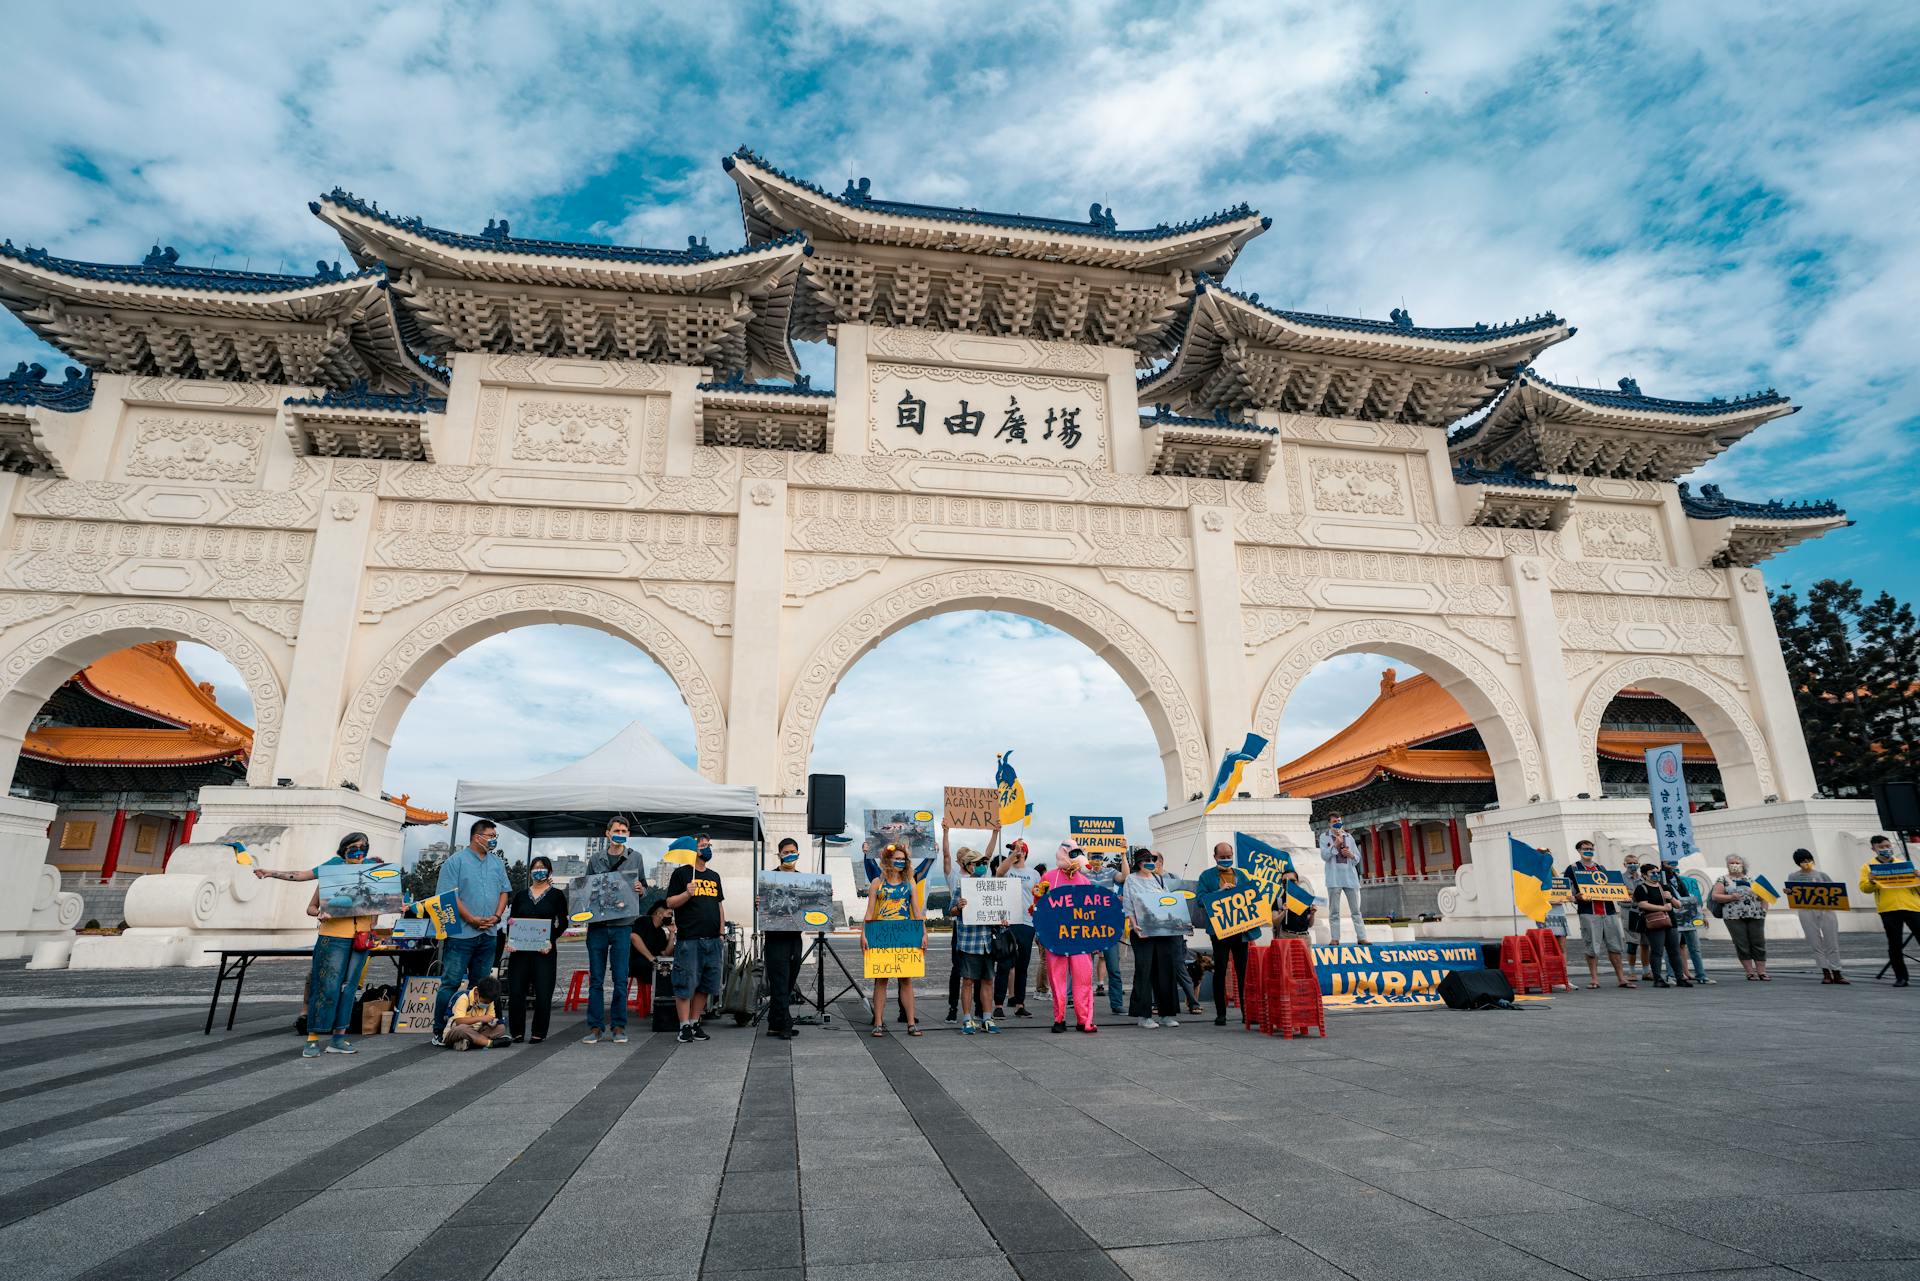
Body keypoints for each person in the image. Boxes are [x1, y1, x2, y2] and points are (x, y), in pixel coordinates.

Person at [254, 831, 384, 1057]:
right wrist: (271, 873)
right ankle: (313, 1038)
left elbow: (375, 912)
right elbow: (308, 899)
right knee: (326, 987)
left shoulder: (372, 873)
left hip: (361, 939)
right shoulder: (332, 870)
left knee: (349, 988)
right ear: (343, 849)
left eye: (363, 847)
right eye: (353, 847)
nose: (358, 851)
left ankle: (339, 1037)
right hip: (333, 937)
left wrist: (386, 908)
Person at [432, 819, 512, 1041]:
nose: (494, 839)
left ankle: (482, 1028)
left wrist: (496, 917)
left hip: (488, 934)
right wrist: (471, 919)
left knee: (483, 984)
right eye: (491, 835)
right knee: (451, 982)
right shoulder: (455, 862)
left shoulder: (497, 863)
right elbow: (449, 896)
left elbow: (505, 891)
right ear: (478, 837)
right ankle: (440, 1030)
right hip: (461, 935)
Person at [580, 817, 645, 1046]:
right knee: (596, 979)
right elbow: (586, 889)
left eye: (624, 830)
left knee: (620, 978)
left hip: (623, 925)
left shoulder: (635, 857)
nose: (620, 833)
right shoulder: (595, 859)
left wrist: (641, 888)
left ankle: (619, 1025)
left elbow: (643, 887)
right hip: (598, 926)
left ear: (628, 834)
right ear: (607, 833)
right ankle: (595, 1027)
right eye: (616, 830)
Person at [665, 835, 726, 1043]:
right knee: (685, 983)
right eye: (702, 845)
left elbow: (719, 905)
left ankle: (694, 1022)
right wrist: (687, 894)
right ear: (693, 850)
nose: (707, 848)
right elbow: (670, 903)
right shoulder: (681, 874)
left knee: (705, 985)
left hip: (712, 939)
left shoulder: (715, 876)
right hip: (689, 939)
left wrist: (721, 932)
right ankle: (683, 1027)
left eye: (709, 845)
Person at [504, 854, 568, 1043]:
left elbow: (563, 922)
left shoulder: (556, 895)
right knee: (516, 991)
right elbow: (512, 921)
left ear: (549, 871)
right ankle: (516, 1031)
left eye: (542, 867)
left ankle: (538, 1032)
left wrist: (551, 940)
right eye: (535, 867)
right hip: (520, 952)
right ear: (530, 871)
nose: (538, 870)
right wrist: (511, 940)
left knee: (543, 991)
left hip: (544, 951)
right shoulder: (521, 896)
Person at [864, 841, 925, 1036]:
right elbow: (870, 911)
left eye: (903, 859)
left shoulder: (910, 883)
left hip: (905, 933)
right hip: (881, 933)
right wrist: (863, 933)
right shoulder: (877, 883)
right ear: (887, 860)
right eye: (896, 858)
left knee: (906, 980)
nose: (900, 862)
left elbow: (917, 911)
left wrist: (923, 932)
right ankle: (878, 1022)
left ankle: (910, 1022)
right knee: (881, 980)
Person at [1034, 845, 1097, 1033]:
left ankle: (1084, 1020)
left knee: (1083, 978)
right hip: (1056, 937)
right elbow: (1038, 904)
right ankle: (1059, 1018)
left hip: (1080, 938)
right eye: (1073, 853)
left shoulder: (1085, 881)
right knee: (1057, 978)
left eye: (1079, 854)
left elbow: (1092, 911)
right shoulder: (1048, 877)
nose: (1077, 857)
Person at [941, 823, 998, 1024]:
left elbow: (988, 855)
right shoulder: (955, 877)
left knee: (983, 975)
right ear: (963, 862)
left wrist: (995, 832)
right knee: (961, 971)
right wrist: (946, 832)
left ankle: (983, 1011)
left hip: (983, 932)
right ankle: (954, 1008)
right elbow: (946, 856)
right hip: (963, 929)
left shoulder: (985, 877)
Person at [1197, 841, 1259, 1025]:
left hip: (1241, 931)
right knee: (1220, 970)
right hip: (1219, 931)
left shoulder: (1241, 875)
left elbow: (1252, 898)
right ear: (1215, 857)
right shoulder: (1206, 876)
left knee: (1243, 972)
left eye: (1228, 856)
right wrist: (1219, 892)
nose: (1226, 859)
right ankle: (1221, 1014)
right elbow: (1200, 900)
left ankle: (1247, 1013)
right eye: (1222, 857)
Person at [1122, 847, 1182, 1028]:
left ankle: (1166, 1014)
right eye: (1146, 859)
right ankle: (1144, 1015)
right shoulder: (1131, 880)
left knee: (1166, 970)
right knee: (1144, 970)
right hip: (1142, 930)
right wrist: (1134, 924)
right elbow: (1128, 903)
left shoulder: (1158, 878)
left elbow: (1166, 902)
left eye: (1152, 859)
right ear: (1139, 863)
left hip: (1162, 930)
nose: (1150, 862)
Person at [1566, 841, 1632, 989]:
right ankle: (1594, 979)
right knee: (1592, 947)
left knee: (1615, 946)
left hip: (1608, 911)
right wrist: (1576, 897)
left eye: (1590, 848)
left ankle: (1621, 978)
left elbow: (1610, 887)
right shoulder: (1573, 868)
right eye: (1585, 849)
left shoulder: (1600, 868)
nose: (1588, 851)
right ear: (1579, 850)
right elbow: (1567, 889)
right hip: (1588, 912)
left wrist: (1623, 894)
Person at [1860, 834, 1919, 987]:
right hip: (1888, 908)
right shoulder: (1868, 867)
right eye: (1881, 847)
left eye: (1888, 846)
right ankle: (1901, 977)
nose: (1886, 849)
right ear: (1873, 849)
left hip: (1911, 906)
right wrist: (1871, 881)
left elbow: (1916, 887)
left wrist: (1918, 878)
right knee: (1895, 945)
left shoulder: (1903, 864)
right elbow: (1864, 888)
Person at [763, 839, 806, 1040]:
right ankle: (786, 1024)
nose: (790, 855)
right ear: (779, 854)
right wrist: (759, 902)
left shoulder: (803, 879)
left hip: (795, 937)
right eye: (786, 851)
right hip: (775, 938)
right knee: (779, 981)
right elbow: (763, 907)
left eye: (793, 852)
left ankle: (774, 1023)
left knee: (789, 980)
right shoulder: (769, 878)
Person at [993, 838, 1040, 1018]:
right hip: (1008, 921)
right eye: (1012, 849)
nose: (1014, 851)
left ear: (1025, 852)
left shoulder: (1034, 874)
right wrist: (1013, 854)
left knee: (1022, 965)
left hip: (1027, 923)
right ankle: (998, 1004)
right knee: (1004, 965)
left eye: (1018, 849)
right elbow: (998, 872)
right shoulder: (1007, 869)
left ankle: (1020, 1004)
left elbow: (1039, 897)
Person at [1786, 848, 1848, 985]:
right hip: (1806, 910)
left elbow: (1835, 891)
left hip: (1826, 910)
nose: (1806, 863)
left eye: (1808, 860)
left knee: (1832, 941)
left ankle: (1837, 972)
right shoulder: (1793, 877)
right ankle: (1825, 972)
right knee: (1815, 941)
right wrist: (1788, 892)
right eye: (1803, 861)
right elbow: (1791, 893)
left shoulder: (1822, 875)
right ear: (1798, 863)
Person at [1631, 862, 1692, 987]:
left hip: (1670, 922)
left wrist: (1670, 897)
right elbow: (1642, 904)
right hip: (1654, 922)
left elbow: (1678, 905)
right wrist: (1662, 907)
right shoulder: (1641, 888)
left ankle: (1680, 977)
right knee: (1657, 951)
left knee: (1674, 950)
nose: (1655, 875)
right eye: (1652, 873)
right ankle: (1658, 978)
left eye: (1657, 872)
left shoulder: (1665, 887)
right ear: (1644, 875)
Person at [1712, 854, 1771, 980]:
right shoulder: (1722, 879)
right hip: (1733, 916)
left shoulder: (1752, 878)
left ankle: (1762, 971)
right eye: (1731, 863)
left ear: (1743, 865)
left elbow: (1765, 896)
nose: (1734, 865)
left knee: (1758, 942)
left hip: (1755, 915)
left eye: (1737, 863)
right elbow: (1715, 896)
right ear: (1727, 866)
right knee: (1741, 943)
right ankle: (1750, 972)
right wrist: (1731, 897)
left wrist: (1764, 911)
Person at [1085, 850, 1127, 1018]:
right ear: (1088, 858)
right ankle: (1085, 1003)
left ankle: (1117, 1004)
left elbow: (1124, 877)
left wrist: (1123, 855)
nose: (1097, 859)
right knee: (1085, 969)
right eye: (1094, 856)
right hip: (1087, 926)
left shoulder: (1110, 872)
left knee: (1114, 968)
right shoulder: (1083, 873)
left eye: (1099, 856)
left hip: (1108, 926)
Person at [1317, 814, 1369, 944]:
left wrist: (1350, 855)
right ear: (1329, 824)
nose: (1337, 824)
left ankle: (1362, 937)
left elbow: (1357, 858)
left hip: (1350, 877)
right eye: (1334, 822)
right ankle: (1335, 938)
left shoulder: (1349, 837)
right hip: (1334, 878)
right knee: (1334, 911)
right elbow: (1324, 856)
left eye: (1339, 821)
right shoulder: (1324, 837)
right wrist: (1335, 845)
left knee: (1356, 910)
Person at [1662, 859, 1715, 984]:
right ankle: (1671, 975)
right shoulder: (1661, 879)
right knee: (1672, 947)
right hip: (1673, 917)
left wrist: (1700, 915)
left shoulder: (1680, 880)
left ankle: (1701, 975)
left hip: (1688, 916)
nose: (1672, 867)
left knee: (1695, 948)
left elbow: (1690, 898)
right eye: (1669, 863)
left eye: (1674, 864)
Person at [443, 975, 510, 1050]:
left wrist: (493, 1022)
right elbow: (459, 1022)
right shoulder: (464, 998)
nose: (486, 1004)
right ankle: (490, 1043)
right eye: (485, 1002)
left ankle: (471, 1042)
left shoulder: (489, 1000)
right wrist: (481, 1018)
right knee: (462, 1029)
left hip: (476, 1031)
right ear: (477, 993)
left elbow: (490, 1017)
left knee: (501, 1028)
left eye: (489, 1002)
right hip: (457, 1031)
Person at [1621, 853, 1647, 983]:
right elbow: (1621, 900)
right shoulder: (1620, 879)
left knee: (1645, 943)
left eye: (1635, 862)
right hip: (1629, 914)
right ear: (1624, 864)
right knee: (1632, 944)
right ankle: (1631, 972)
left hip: (1645, 914)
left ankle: (1646, 971)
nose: (1632, 865)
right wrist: (1637, 899)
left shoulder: (1644, 879)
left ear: (1639, 864)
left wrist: (1632, 895)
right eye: (1629, 863)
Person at [1275, 866, 1316, 938]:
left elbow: (1310, 924)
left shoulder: (1305, 898)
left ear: (1298, 881)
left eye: (1291, 880)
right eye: (1285, 881)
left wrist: (1312, 914)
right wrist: (1284, 912)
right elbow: (1275, 922)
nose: (1288, 883)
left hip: (1304, 938)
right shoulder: (1279, 900)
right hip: (1286, 937)